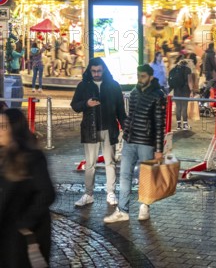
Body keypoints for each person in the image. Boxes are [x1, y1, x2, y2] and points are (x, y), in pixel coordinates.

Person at [104, 64, 166, 223]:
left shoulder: (158, 95)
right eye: (138, 75)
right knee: (124, 174)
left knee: (146, 176)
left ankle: (145, 206)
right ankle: (123, 210)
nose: (140, 79)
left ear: (151, 77)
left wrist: (159, 149)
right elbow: (129, 116)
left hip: (146, 141)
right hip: (130, 140)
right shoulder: (134, 93)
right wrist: (125, 132)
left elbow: (160, 124)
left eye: (143, 76)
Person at [0, 109, 56, 267]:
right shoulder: (3, 155)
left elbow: (47, 194)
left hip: (22, 239)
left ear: (13, 128)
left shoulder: (32, 157)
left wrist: (24, 223)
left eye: (3, 126)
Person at [70, 58, 126, 207]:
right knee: (90, 164)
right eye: (93, 71)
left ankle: (111, 193)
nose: (96, 74)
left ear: (104, 70)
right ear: (89, 70)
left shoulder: (113, 85)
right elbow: (75, 105)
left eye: (99, 71)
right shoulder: (83, 85)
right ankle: (88, 194)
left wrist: (125, 126)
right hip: (90, 128)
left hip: (109, 128)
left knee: (110, 162)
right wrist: (86, 104)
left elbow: (121, 109)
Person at [170, 55, 193, 131]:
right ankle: (185, 125)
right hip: (185, 90)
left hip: (177, 90)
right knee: (184, 107)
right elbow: (189, 81)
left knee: (178, 107)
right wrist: (191, 91)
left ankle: (179, 125)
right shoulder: (188, 70)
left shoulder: (174, 69)